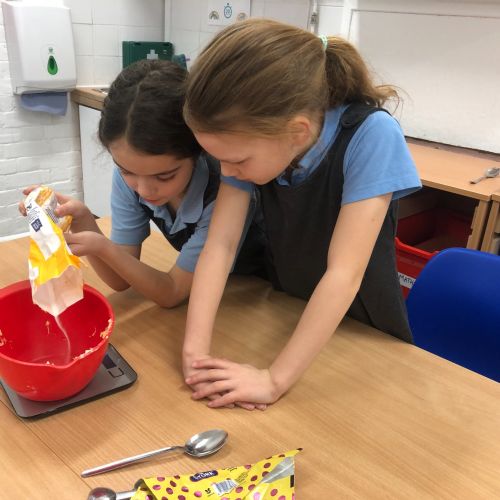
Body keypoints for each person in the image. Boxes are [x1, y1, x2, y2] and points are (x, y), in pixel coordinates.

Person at [181, 19, 422, 410]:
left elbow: (344, 274)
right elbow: (221, 244)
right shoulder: (260, 140)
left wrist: (274, 380)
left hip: (364, 330)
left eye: (237, 160)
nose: (227, 172)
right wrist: (195, 353)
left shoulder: (371, 134)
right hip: (292, 311)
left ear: (297, 132)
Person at [20, 59, 264, 309]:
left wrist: (104, 247)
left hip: (260, 288)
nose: (145, 190)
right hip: (218, 287)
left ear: (198, 150)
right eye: (127, 171)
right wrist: (82, 218)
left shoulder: (225, 192)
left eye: (165, 176)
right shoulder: (131, 179)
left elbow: (172, 292)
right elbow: (121, 279)